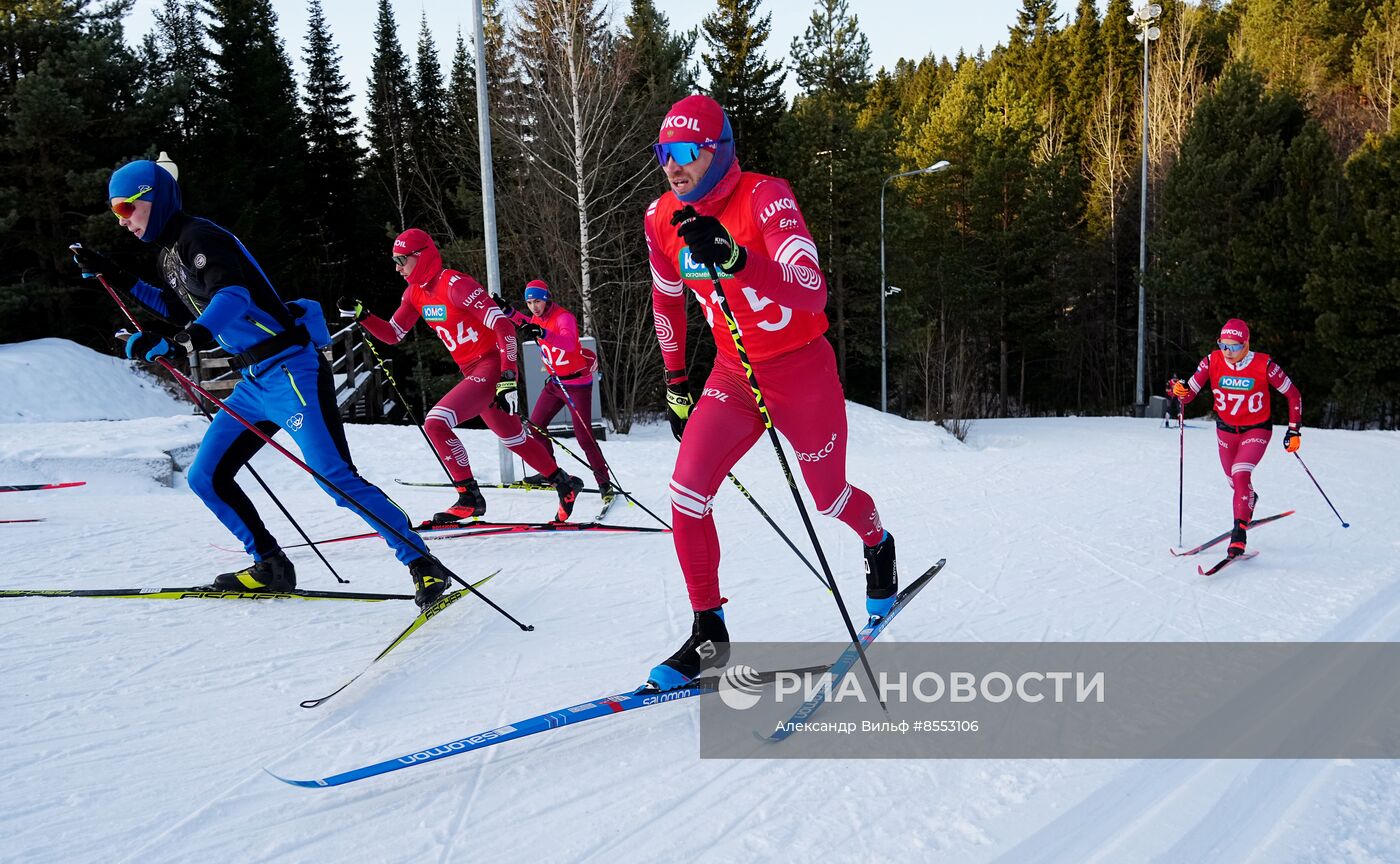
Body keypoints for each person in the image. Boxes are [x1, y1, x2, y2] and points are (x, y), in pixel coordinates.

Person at [70, 159, 452, 608]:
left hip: (292, 371)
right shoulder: (168, 254)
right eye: (115, 213)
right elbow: (178, 307)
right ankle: (270, 564)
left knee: (334, 478)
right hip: (253, 381)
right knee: (206, 477)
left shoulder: (200, 236)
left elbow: (234, 295)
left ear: (151, 198)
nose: (122, 221)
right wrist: (111, 274)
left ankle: (422, 563)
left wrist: (184, 343)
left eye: (125, 208)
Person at [641, 94, 896, 690]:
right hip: (734, 372)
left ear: (717, 152)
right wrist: (677, 380)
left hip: (801, 370)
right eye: (663, 153)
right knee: (685, 493)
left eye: (684, 152)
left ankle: (878, 542)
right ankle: (710, 631)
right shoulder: (660, 218)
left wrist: (735, 257)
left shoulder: (764, 196)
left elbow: (811, 290)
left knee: (829, 499)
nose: (672, 165)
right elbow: (665, 300)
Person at [338, 230, 584, 526]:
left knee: (436, 422)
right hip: (472, 371)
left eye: (401, 260)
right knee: (513, 438)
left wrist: (508, 376)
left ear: (421, 256)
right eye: (395, 261)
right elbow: (393, 334)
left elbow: (504, 326)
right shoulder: (414, 293)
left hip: (491, 366)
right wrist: (363, 315)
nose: (397, 267)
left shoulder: (455, 284)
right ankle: (564, 483)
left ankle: (469, 498)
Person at [1171, 318, 1302, 557]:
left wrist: (1294, 430)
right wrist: (1178, 390)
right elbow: (1187, 395)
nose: (1228, 352)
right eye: (1224, 345)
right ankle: (1249, 499)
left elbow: (1293, 395)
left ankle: (1238, 535)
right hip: (1225, 431)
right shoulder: (1212, 361)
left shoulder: (1265, 365)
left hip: (1256, 430)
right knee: (1234, 482)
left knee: (1241, 474)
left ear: (1246, 344)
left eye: (1234, 346)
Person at [495, 280, 613, 503]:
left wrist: (542, 332)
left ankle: (605, 483)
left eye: (537, 301)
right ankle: (551, 473)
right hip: (556, 383)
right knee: (535, 427)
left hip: (577, 384)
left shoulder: (563, 317)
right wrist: (507, 310)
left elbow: (568, 343)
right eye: (529, 303)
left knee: (584, 437)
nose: (534, 307)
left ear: (547, 298)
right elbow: (527, 323)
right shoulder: (537, 318)